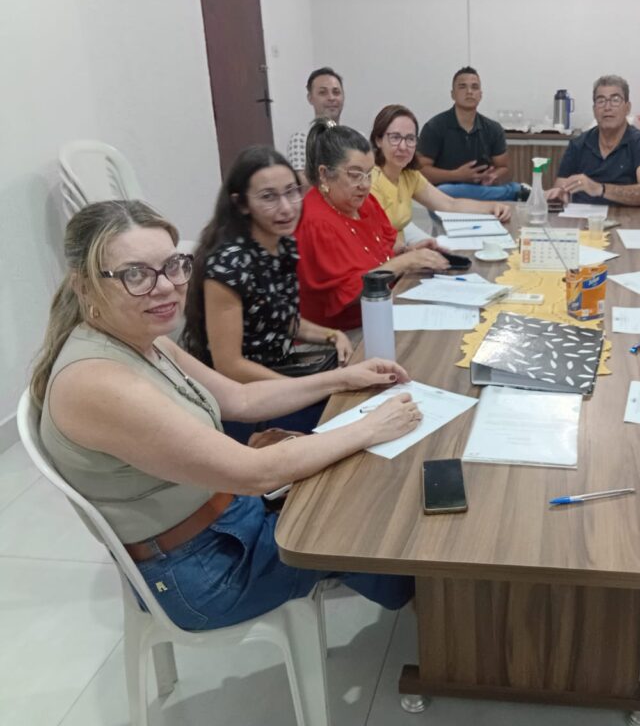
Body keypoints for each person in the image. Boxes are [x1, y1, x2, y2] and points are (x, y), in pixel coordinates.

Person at [32, 200, 420, 631]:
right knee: (376, 522)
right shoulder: (100, 383)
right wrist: (370, 427)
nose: (166, 287)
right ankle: (435, 617)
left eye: (173, 266)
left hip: (228, 518)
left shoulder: (145, 339)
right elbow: (255, 474)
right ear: (84, 286)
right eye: (135, 274)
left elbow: (241, 399)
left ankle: (423, 602)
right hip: (204, 568)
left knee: (366, 491)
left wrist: (341, 379)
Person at [181, 146, 354, 444]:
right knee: (348, 415)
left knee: (360, 395)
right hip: (244, 400)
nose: (286, 208)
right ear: (242, 204)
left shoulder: (282, 245)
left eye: (291, 192)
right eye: (268, 197)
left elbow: (281, 320)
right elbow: (229, 365)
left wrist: (332, 335)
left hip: (278, 378)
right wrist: (304, 389)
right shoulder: (228, 263)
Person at [297, 120, 451, 330]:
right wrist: (404, 263)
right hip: (343, 332)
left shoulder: (363, 202)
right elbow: (347, 295)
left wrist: (409, 251)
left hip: (383, 309)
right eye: (355, 175)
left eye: (369, 174)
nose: (365, 185)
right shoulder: (316, 222)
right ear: (324, 174)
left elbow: (380, 248)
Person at [369, 104, 512, 246]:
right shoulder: (370, 182)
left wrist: (492, 207)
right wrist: (411, 251)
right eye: (395, 138)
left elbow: (449, 204)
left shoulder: (409, 175)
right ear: (378, 140)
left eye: (410, 139)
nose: (403, 146)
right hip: (382, 254)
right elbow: (374, 239)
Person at [416, 67, 527, 202]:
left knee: (501, 190)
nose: (469, 92)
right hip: (445, 198)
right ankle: (515, 192)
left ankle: (511, 192)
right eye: (462, 87)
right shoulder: (434, 127)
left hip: (482, 192)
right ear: (453, 94)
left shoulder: (493, 129)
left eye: (474, 87)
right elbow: (420, 171)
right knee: (445, 190)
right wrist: (456, 175)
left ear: (480, 95)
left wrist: (493, 176)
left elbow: (504, 168)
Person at [546, 75, 640, 207]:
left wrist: (600, 189)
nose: (607, 107)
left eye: (615, 100)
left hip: (625, 216)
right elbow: (560, 188)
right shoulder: (578, 144)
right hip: (582, 216)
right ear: (594, 110)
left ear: (627, 108)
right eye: (601, 101)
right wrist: (559, 194)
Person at [286, 67, 344, 184]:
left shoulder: (356, 138)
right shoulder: (301, 139)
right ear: (310, 98)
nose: (331, 98)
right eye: (323, 93)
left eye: (336, 92)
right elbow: (304, 185)